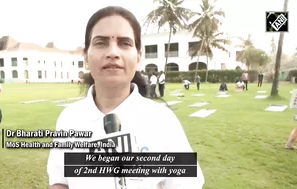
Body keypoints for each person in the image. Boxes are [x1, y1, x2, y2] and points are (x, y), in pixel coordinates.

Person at [47, 6, 205, 189]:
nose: (113, 52)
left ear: (138, 57)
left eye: (125, 43)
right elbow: (60, 182)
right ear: (86, 57)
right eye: (100, 43)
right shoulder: (69, 118)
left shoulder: (163, 120)